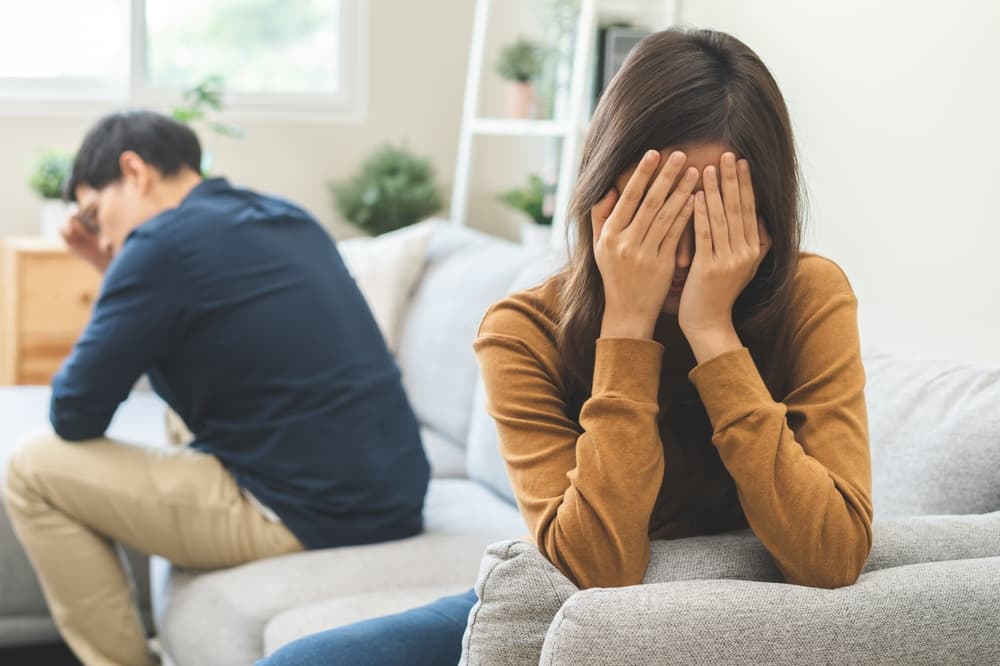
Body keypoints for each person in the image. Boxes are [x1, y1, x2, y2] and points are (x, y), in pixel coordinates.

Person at [260, 26, 872, 665]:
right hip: (573, 625)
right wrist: (628, 326)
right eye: (655, 214)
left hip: (733, 628)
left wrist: (713, 335)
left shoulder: (809, 296)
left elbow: (830, 554)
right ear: (601, 191)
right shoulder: (521, 332)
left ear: (765, 213)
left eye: (713, 219)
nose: (683, 254)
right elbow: (594, 570)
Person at [3, 111, 431, 666]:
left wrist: (114, 265)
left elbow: (74, 415)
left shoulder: (158, 247)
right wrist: (119, 261)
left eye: (94, 212)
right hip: (396, 495)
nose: (101, 233)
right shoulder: (286, 216)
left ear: (135, 171)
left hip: (309, 512)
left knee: (31, 469)